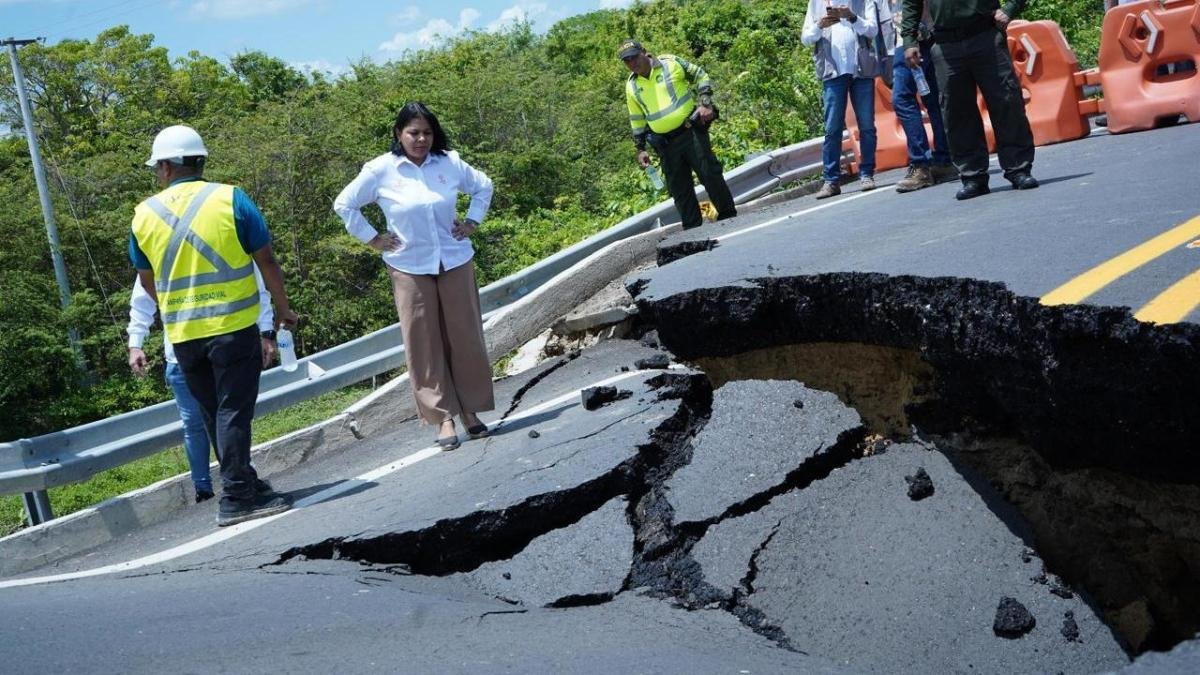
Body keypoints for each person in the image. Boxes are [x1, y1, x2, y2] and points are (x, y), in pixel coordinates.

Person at [129, 124, 298, 527]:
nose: (157, 173)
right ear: (198, 161)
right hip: (232, 325)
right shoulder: (231, 199)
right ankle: (237, 497)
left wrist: (174, 306)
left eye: (157, 167)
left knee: (213, 413)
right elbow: (267, 260)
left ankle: (245, 484)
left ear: (168, 166)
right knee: (233, 412)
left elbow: (146, 279)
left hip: (183, 334)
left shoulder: (143, 214)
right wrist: (281, 307)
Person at [333, 102, 495, 451]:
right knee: (423, 343)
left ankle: (470, 412)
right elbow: (344, 203)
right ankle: (443, 419)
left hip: (453, 259)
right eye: (413, 133)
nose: (420, 139)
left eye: (426, 132)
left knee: (465, 338)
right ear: (399, 134)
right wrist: (373, 239)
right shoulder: (381, 170)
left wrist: (472, 221)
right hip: (408, 264)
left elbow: (484, 187)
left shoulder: (449, 163)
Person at [127, 268, 275, 503]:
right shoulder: (160, 244)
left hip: (220, 345)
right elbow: (143, 294)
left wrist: (265, 328)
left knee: (223, 418)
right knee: (207, 421)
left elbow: (256, 285)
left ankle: (241, 479)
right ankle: (209, 486)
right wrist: (135, 342)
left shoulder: (219, 235)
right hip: (187, 353)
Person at [902, 0, 1038, 200]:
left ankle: (1018, 169)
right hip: (945, 43)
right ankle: (973, 175)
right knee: (956, 113)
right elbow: (911, 3)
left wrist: (1010, 9)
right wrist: (909, 40)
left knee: (1006, 102)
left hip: (985, 35)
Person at [620, 39, 737, 229]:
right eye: (627, 61)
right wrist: (640, 148)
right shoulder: (631, 85)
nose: (632, 63)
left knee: (710, 174)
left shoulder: (670, 63)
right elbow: (637, 118)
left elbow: (701, 75)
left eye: (634, 57)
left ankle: (729, 218)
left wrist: (705, 103)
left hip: (691, 132)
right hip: (665, 144)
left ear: (644, 51)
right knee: (680, 190)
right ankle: (693, 231)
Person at [802, 0, 881, 199]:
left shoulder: (862, 2)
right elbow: (806, 38)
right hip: (832, 72)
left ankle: (867, 174)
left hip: (861, 70)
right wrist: (820, 25)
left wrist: (852, 17)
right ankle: (831, 181)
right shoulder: (817, 3)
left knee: (867, 126)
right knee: (832, 129)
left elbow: (872, 30)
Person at [889, 0, 957, 192]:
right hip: (924, 36)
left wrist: (918, 31)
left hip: (913, 39)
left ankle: (920, 165)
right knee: (933, 99)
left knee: (902, 99)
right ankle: (944, 161)